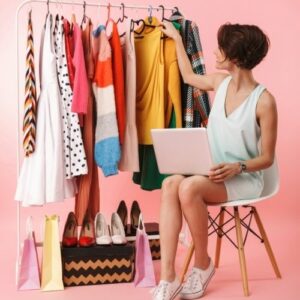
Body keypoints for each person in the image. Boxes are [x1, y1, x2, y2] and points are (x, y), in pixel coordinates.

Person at [152, 22, 278, 300]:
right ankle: (168, 277)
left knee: (189, 188)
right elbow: (187, 76)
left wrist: (239, 166)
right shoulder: (219, 83)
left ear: (234, 57)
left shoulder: (264, 101)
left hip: (244, 179)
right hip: (212, 175)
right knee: (171, 182)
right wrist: (174, 36)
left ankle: (202, 264)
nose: (214, 52)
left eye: (220, 48)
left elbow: (267, 158)